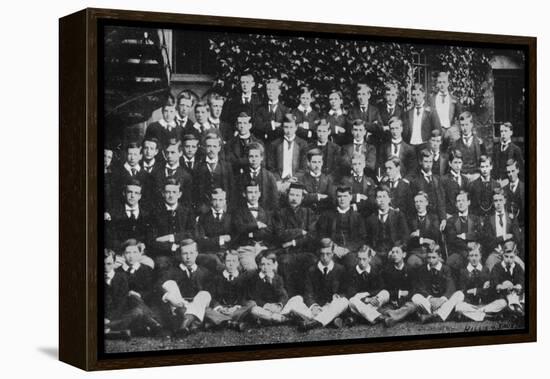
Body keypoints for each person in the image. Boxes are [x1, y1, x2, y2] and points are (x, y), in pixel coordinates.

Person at [282, 238, 349, 331]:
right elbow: (308, 292)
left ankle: (312, 323)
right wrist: (314, 306)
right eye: (322, 254)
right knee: (296, 300)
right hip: (315, 309)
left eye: (328, 254)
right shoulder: (311, 270)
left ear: (333, 254)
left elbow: (345, 291)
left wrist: (337, 297)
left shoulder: (340, 269)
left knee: (344, 302)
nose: (325, 257)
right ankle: (328, 320)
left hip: (331, 306)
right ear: (318, 254)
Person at [157, 239, 212, 336]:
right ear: (180, 255)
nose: (188, 257)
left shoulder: (205, 272)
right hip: (179, 305)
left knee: (205, 294)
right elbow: (158, 285)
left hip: (197, 304)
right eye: (185, 253)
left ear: (196, 254)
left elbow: (210, 294)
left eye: (191, 253)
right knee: (169, 283)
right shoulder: (172, 271)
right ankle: (193, 324)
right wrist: (169, 296)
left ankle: (185, 324)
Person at [273, 183, 318, 296]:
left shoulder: (309, 213)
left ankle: (308, 297)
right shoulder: (280, 213)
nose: (294, 198)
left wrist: (293, 242)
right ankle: (289, 297)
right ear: (287, 196)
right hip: (286, 252)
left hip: (304, 250)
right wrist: (300, 231)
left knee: (312, 261)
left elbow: (312, 236)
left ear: (302, 198)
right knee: (285, 262)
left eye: (297, 195)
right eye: (292, 195)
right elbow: (280, 234)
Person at [111, 239, 162, 335]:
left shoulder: (146, 270)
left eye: (135, 252)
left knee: (136, 303)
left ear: (140, 254)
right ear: (123, 254)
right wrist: (128, 295)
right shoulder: (118, 272)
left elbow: (151, 291)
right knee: (132, 298)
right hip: (126, 308)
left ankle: (146, 323)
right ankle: (152, 322)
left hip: (144, 304)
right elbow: (116, 296)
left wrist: (138, 294)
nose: (131, 256)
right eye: (128, 252)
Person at [203, 250, 256, 331]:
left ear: (238, 263)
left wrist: (235, 308)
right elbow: (212, 297)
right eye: (228, 261)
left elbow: (244, 297)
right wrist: (220, 308)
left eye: (234, 261)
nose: (231, 264)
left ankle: (222, 321)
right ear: (224, 262)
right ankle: (232, 323)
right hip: (221, 309)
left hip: (237, 309)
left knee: (252, 304)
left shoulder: (243, 278)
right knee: (205, 309)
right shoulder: (217, 278)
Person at [148, 178, 195, 269]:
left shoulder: (187, 211)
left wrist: (171, 237)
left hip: (185, 252)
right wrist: (171, 246)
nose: (171, 195)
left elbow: (193, 233)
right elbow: (151, 240)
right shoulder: (155, 213)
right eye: (168, 192)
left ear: (179, 194)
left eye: (174, 192)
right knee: (162, 264)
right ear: (163, 194)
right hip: (164, 254)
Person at [316, 186, 367, 270]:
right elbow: (321, 234)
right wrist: (333, 247)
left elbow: (362, 238)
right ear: (336, 198)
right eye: (339, 196)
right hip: (331, 250)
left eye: (345, 196)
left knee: (353, 264)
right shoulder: (327, 215)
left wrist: (347, 249)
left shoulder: (357, 216)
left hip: (350, 251)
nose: (342, 199)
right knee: (327, 263)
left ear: (350, 197)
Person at [454, 242, 508, 321]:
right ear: (468, 257)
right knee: (459, 306)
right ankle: (487, 316)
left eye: (476, 255)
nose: (474, 258)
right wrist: (480, 290)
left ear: (480, 257)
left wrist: (476, 290)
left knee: (503, 302)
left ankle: (476, 314)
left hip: (485, 303)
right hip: (471, 303)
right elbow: (464, 290)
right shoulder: (464, 271)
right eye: (471, 256)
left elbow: (490, 289)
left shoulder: (485, 270)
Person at [411, 245, 464, 323]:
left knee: (459, 294)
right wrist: (430, 298)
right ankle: (440, 315)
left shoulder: (446, 269)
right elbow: (421, 287)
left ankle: (433, 316)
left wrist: (442, 299)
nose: (431, 260)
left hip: (444, 301)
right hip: (429, 302)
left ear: (439, 257)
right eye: (429, 258)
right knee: (415, 297)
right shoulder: (423, 269)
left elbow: (451, 286)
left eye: (434, 257)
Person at [232, 181, 274, 271]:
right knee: (252, 270)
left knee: (271, 269)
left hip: (263, 248)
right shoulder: (238, 212)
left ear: (259, 194)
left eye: (256, 192)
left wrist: (251, 234)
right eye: (250, 192)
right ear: (244, 194)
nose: (253, 195)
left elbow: (269, 231)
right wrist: (257, 225)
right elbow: (239, 229)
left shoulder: (266, 212)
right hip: (246, 248)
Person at [365, 185, 409, 268]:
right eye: (379, 197)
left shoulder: (398, 216)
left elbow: (405, 236)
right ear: (375, 200)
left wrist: (395, 250)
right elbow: (367, 239)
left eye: (384, 197)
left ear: (389, 199)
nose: (382, 200)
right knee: (371, 265)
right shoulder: (371, 219)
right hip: (376, 253)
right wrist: (370, 250)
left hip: (393, 251)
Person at [346, 245, 390, 325]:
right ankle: (376, 316)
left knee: (385, 293)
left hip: (372, 299)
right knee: (352, 301)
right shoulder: (351, 272)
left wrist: (371, 296)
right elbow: (351, 293)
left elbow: (380, 287)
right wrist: (366, 299)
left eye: (364, 259)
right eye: (359, 259)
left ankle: (359, 317)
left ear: (370, 259)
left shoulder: (375, 270)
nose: (361, 262)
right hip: (358, 300)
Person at [483, 188, 523, 271]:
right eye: (495, 201)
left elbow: (517, 238)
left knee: (522, 268)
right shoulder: (488, 219)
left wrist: (509, 248)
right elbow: (488, 241)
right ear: (493, 203)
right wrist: (504, 237)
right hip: (495, 253)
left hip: (510, 253)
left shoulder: (512, 218)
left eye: (500, 200)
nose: (498, 203)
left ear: (504, 201)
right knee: (488, 269)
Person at [444, 190, 483, 278]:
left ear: (468, 202)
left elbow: (480, 234)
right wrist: (468, 245)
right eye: (458, 201)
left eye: (463, 201)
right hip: (458, 251)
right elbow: (452, 238)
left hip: (475, 251)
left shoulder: (475, 218)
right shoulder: (451, 221)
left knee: (476, 259)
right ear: (456, 204)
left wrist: (465, 236)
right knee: (450, 262)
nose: (461, 203)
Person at [104, 179, 151, 251]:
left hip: (140, 254)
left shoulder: (146, 215)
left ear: (140, 196)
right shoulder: (114, 214)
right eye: (129, 192)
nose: (132, 196)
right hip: (119, 253)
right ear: (124, 193)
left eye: (136, 193)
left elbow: (149, 239)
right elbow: (110, 240)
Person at [195, 188, 234, 273]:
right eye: (215, 200)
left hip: (226, 253)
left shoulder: (230, 218)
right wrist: (221, 239)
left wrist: (209, 239)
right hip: (209, 253)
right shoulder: (202, 218)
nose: (217, 203)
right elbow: (201, 241)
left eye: (220, 200)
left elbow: (233, 239)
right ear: (211, 201)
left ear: (225, 201)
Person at [246, 251, 289, 325]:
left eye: (268, 264)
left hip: (276, 307)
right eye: (263, 264)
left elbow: (283, 294)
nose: (265, 267)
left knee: (296, 299)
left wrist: (279, 305)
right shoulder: (254, 278)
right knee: (253, 309)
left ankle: (270, 318)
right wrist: (266, 305)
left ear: (273, 265)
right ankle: (275, 318)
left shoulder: (278, 278)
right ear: (259, 265)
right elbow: (254, 297)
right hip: (263, 307)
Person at [266, 113, 308, 190]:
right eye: (286, 127)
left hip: (296, 181)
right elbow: (271, 166)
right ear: (282, 127)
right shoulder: (274, 144)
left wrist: (293, 179)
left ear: (296, 127)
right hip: (279, 181)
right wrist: (278, 180)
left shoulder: (302, 144)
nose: (288, 131)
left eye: (291, 127)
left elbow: (303, 168)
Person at [195, 133, 234, 213]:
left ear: (219, 148)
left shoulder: (226, 166)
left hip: (223, 207)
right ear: (205, 147)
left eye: (214, 146)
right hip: (204, 208)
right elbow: (195, 191)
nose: (211, 149)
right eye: (209, 146)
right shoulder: (198, 166)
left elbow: (231, 189)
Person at [235, 142, 279, 211]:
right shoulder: (240, 178)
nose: (254, 159)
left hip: (265, 216)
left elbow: (274, 202)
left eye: (256, 156)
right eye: (251, 156)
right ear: (247, 157)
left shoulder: (269, 177)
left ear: (261, 158)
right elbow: (238, 202)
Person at [381, 246, 418, 327]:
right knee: (380, 308)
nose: (394, 255)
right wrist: (397, 294)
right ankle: (398, 316)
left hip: (406, 302)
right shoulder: (387, 271)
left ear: (404, 255)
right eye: (393, 252)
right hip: (392, 302)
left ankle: (392, 317)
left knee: (412, 306)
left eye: (397, 252)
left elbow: (414, 289)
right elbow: (384, 289)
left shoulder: (410, 270)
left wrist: (404, 298)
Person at [152, 138, 193, 208]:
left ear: (180, 153)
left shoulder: (186, 175)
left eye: (173, 152)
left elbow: (187, 201)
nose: (169, 156)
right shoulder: (156, 173)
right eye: (167, 152)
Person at [410, 149, 447, 224]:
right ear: (420, 162)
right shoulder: (415, 181)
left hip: (437, 219)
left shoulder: (437, 179)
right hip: (423, 219)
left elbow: (441, 201)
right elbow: (412, 205)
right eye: (426, 161)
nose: (428, 164)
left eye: (430, 162)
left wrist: (443, 218)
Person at [489, 240, 525, 317]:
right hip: (501, 294)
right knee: (502, 303)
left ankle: (515, 309)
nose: (508, 259)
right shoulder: (497, 267)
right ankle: (512, 309)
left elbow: (521, 280)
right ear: (502, 255)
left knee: (521, 297)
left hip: (515, 293)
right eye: (506, 256)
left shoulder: (517, 267)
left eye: (511, 257)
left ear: (515, 256)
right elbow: (494, 282)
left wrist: (519, 286)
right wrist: (502, 286)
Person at [112, 142, 153, 208]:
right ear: (126, 154)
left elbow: (148, 198)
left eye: (135, 154)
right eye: (130, 154)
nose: (132, 158)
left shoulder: (147, 176)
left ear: (140, 156)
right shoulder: (117, 173)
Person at [406, 191, 440, 268]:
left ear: (426, 203)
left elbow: (435, 233)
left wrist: (420, 234)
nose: (418, 204)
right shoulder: (410, 219)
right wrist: (424, 240)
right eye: (416, 202)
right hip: (415, 252)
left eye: (421, 201)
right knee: (412, 262)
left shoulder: (433, 218)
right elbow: (409, 238)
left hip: (431, 250)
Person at [450, 111, 486, 182]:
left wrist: (479, 175)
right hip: (461, 176)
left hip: (476, 175)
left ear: (471, 124)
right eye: (462, 125)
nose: (465, 128)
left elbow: (484, 160)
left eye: (467, 124)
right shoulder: (456, 144)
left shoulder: (479, 142)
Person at [337, 153, 377, 218]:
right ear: (351, 166)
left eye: (359, 164)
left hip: (366, 215)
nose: (357, 167)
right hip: (349, 214)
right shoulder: (345, 180)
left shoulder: (370, 181)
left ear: (364, 165)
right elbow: (341, 197)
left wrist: (357, 206)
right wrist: (357, 197)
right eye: (355, 164)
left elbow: (371, 200)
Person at [296, 148, 335, 213]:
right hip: (305, 214)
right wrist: (318, 196)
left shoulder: (328, 179)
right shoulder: (301, 179)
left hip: (323, 214)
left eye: (319, 162)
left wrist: (309, 196)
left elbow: (332, 199)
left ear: (322, 163)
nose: (317, 165)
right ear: (308, 163)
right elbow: (300, 198)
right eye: (314, 162)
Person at [104, 249, 131, 340]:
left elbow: (121, 302)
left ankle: (108, 327)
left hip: (116, 314)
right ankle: (115, 332)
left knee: (136, 313)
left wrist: (109, 318)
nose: (105, 267)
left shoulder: (121, 277)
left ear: (115, 263)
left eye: (109, 264)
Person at [428, 72, 461, 147]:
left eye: (444, 82)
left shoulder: (454, 99)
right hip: (437, 133)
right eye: (440, 82)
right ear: (437, 84)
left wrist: (453, 129)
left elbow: (460, 118)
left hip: (450, 134)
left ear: (448, 83)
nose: (442, 85)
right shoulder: (432, 100)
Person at [346, 83, 383, 148]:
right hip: (356, 145)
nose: (361, 97)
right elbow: (349, 127)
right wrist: (370, 126)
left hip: (372, 145)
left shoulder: (375, 110)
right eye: (359, 94)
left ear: (369, 95)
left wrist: (363, 123)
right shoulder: (352, 110)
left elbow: (379, 127)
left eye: (363, 94)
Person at [403, 83, 436, 151]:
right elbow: (405, 133)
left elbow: (437, 131)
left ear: (423, 94)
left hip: (425, 146)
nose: (416, 98)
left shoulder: (431, 112)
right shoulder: (408, 113)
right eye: (414, 95)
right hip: (411, 147)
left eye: (418, 94)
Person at [441, 150, 469, 218]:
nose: (458, 165)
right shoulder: (444, 180)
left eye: (459, 162)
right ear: (450, 163)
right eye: (455, 162)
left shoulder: (465, 179)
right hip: (449, 215)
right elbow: (441, 201)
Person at [503, 159, 525, 227]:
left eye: (513, 171)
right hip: (508, 226)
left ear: (517, 170)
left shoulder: (524, 188)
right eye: (508, 172)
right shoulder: (504, 189)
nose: (511, 174)